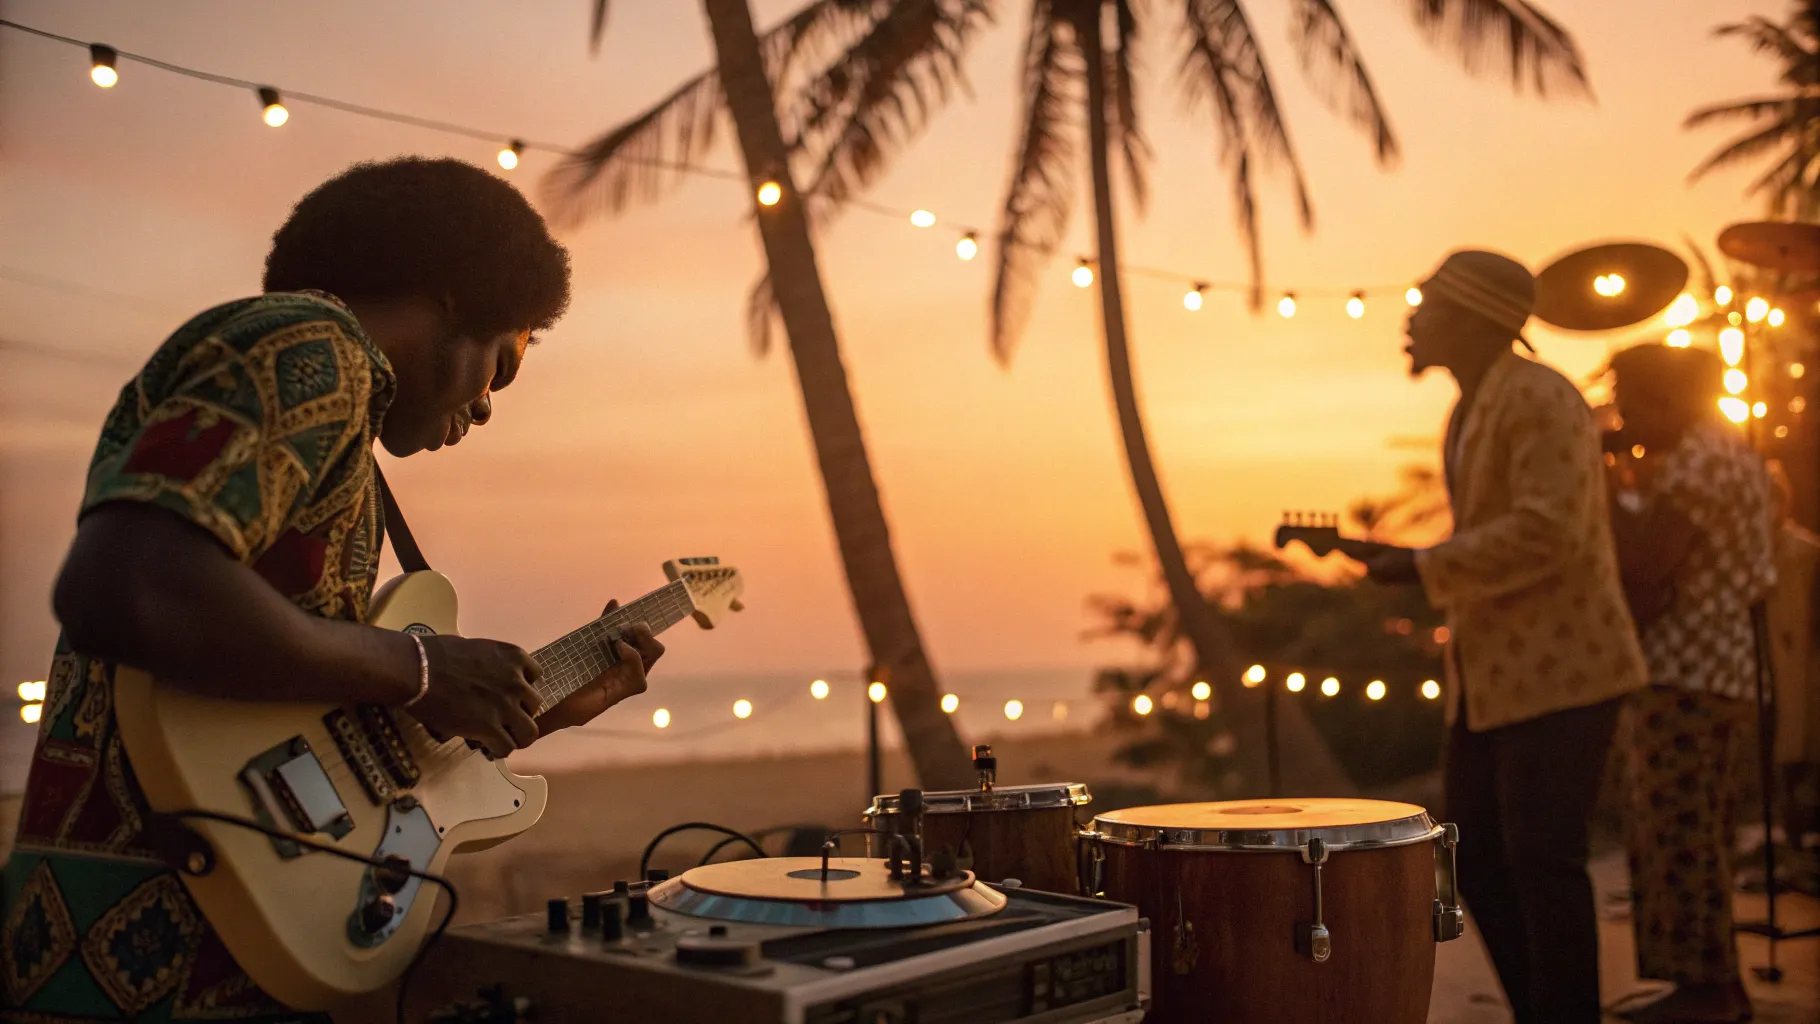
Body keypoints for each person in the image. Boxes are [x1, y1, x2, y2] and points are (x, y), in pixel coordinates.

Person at [0, 158, 665, 1022]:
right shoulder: (312, 345)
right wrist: (420, 669)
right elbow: (125, 583)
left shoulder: (336, 409)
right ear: (455, 296)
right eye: (503, 365)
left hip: (175, 956)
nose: (488, 406)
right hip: (144, 966)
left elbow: (313, 729)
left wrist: (519, 713)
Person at [1350, 250, 1647, 1024]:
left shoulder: (1541, 397)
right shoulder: (1473, 407)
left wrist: (1423, 565)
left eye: (1428, 303)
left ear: (1475, 316)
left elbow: (1549, 531)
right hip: (1491, 680)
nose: (1411, 318)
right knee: (1478, 860)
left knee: (1544, 863)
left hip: (1565, 670)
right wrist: (1417, 565)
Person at [1607, 343, 1776, 1024]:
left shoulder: (1699, 462)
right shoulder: (1727, 452)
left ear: (1666, 399)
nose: (1622, 417)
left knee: (1677, 835)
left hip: (1686, 674)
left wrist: (1601, 482)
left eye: (1628, 402)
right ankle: (1717, 986)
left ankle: (1704, 993)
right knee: (1700, 833)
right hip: (1718, 671)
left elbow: (1648, 563)